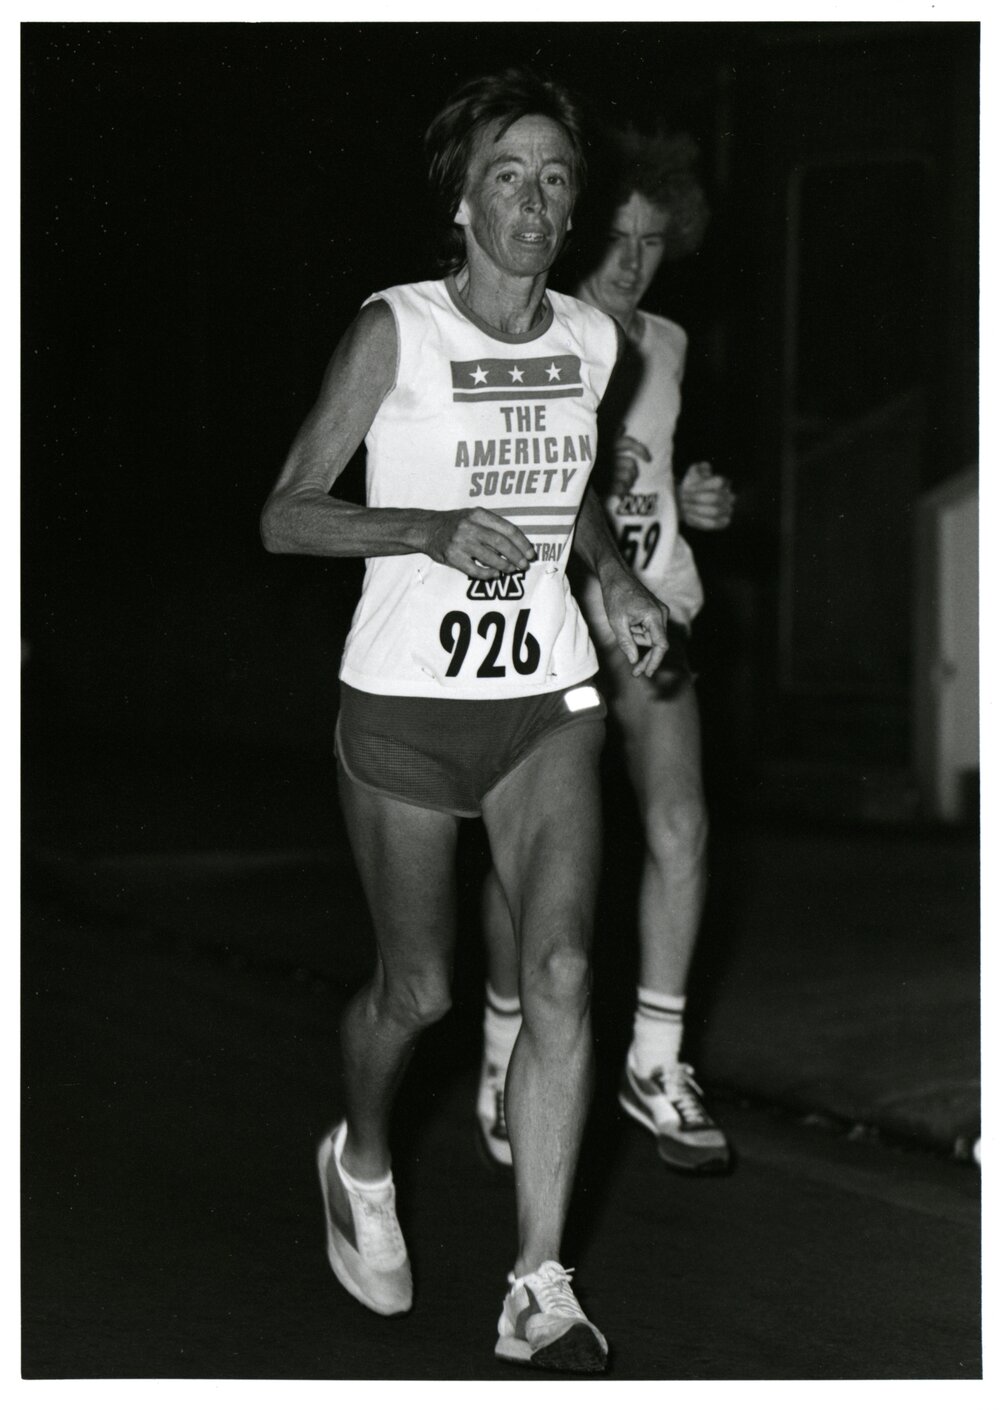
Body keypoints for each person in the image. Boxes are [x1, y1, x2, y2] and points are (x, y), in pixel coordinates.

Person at [260, 70, 670, 1373]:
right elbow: (285, 512)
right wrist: (426, 527)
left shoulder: (595, 343)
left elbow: (573, 488)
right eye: (510, 173)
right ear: (463, 194)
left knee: (559, 971)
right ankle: (361, 1157)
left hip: (545, 699)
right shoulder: (398, 330)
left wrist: (613, 583)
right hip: (404, 707)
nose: (538, 200)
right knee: (422, 987)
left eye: (558, 176)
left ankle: (539, 1276)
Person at [476, 125, 736, 1178]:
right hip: (555, 622)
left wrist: (701, 504)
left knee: (680, 818)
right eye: (618, 238)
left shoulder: (667, 343)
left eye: (655, 240)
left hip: (655, 609)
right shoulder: (544, 334)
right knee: (526, 863)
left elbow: (651, 476)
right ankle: (503, 1052)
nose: (633, 262)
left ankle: (657, 1061)